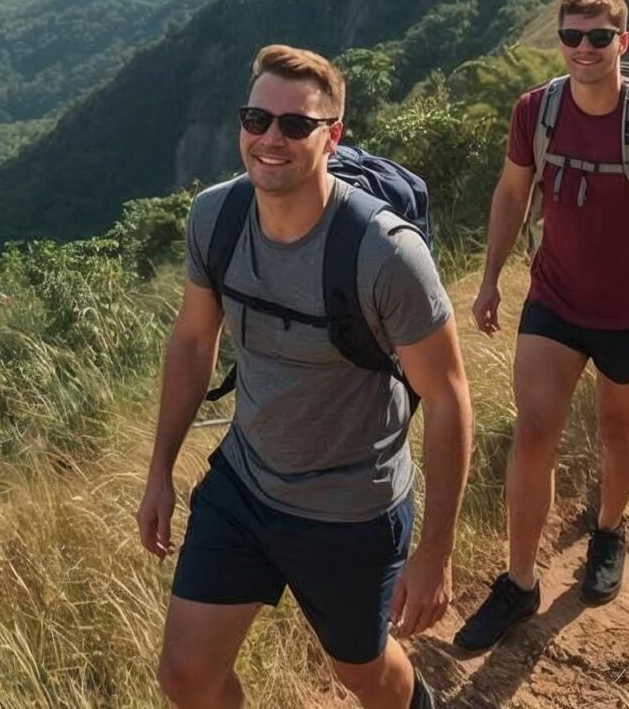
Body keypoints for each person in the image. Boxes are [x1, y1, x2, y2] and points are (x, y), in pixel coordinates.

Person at [140, 45, 471, 709]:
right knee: (185, 676)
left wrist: (435, 552)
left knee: (364, 675)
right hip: (245, 486)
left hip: (352, 510)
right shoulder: (216, 217)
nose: (270, 138)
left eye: (296, 126)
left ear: (333, 136)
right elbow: (193, 340)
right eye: (256, 118)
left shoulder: (385, 254)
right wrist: (160, 471)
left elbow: (449, 395)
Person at [452, 0, 629, 653]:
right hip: (554, 300)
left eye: (598, 38)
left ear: (621, 44)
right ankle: (520, 583)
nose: (583, 49)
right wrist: (489, 280)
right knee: (535, 431)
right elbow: (513, 191)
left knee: (616, 427)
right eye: (571, 37)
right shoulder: (535, 111)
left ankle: (608, 529)